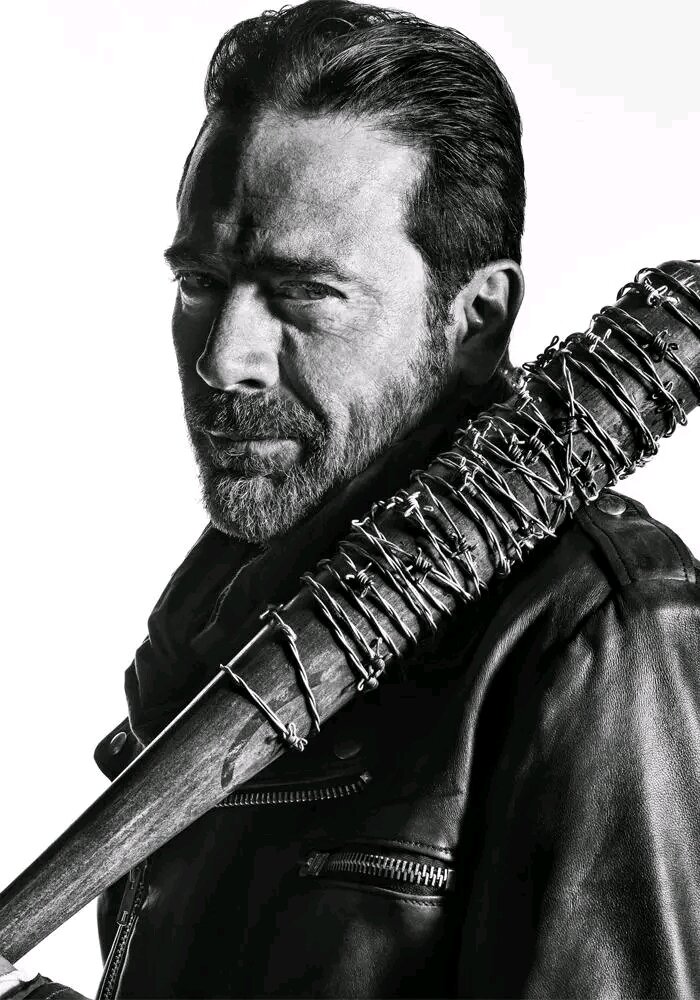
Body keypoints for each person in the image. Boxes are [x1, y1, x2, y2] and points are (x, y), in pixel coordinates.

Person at [2, 1, 699, 997]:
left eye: (303, 292)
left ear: (475, 318)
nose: (223, 359)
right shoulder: (210, 621)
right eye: (200, 281)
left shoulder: (595, 633)